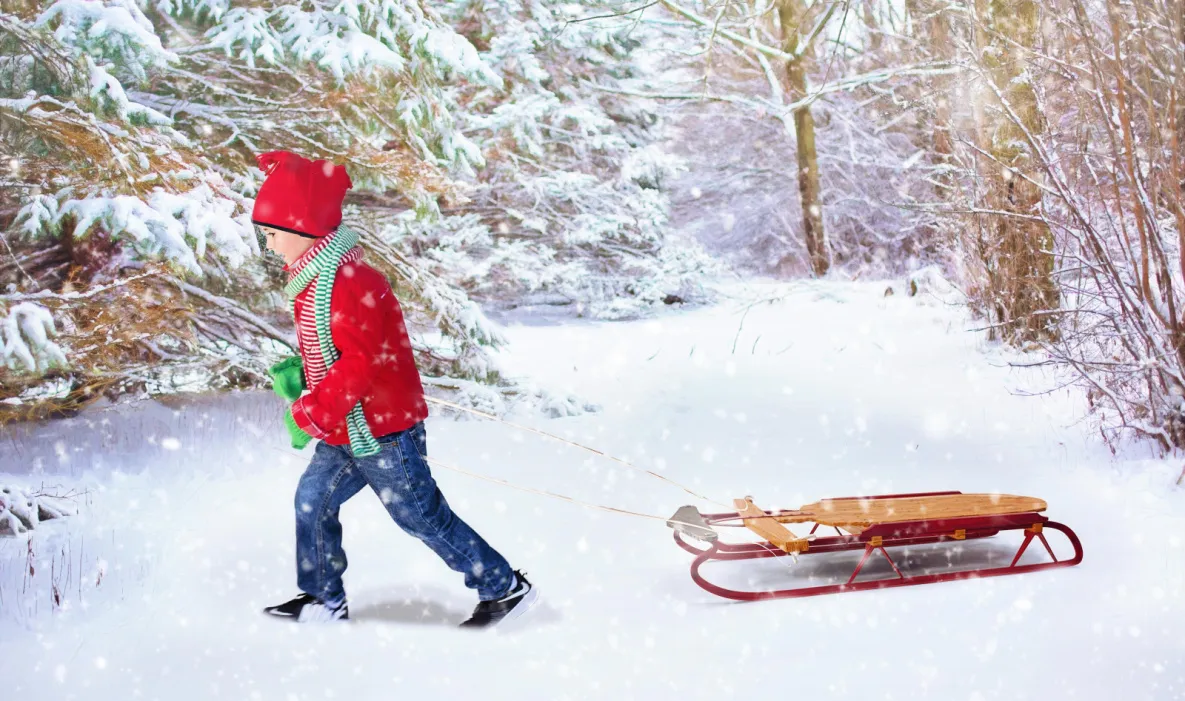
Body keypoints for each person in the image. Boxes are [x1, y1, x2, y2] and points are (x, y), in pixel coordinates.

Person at [251, 150, 535, 627]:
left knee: (420, 517)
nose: (271, 246)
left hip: (383, 428)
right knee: (311, 500)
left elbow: (361, 364)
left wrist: (311, 411)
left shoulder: (351, 281)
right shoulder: (314, 281)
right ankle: (323, 599)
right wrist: (303, 377)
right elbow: (337, 355)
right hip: (347, 429)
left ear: (303, 230)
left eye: (274, 235)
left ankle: (503, 586)